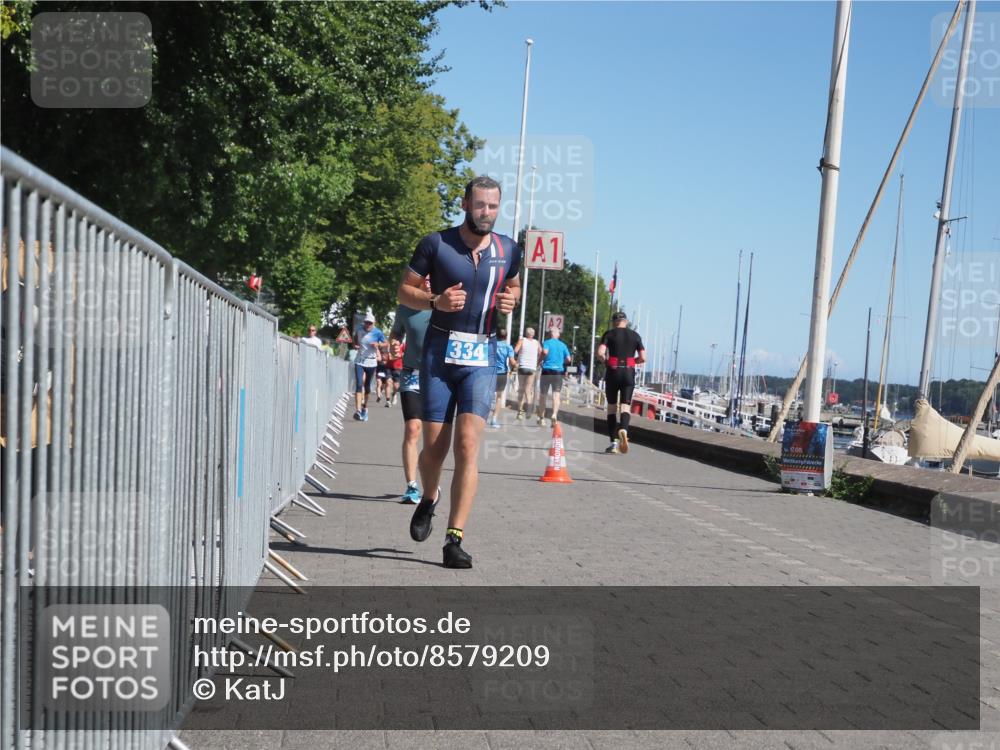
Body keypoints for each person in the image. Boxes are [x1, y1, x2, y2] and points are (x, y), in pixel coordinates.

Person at [396, 175, 521, 569]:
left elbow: (513, 287)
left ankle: (454, 538)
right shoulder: (436, 243)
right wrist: (435, 299)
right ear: (465, 204)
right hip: (438, 354)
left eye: (494, 206)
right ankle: (429, 498)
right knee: (435, 450)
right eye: (481, 205)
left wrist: (509, 302)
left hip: (482, 356)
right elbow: (403, 291)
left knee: (468, 445)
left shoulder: (509, 249)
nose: (487, 213)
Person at [389, 301, 431, 503]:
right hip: (412, 375)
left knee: (435, 437)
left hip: (438, 377)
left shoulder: (449, 304)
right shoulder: (406, 307)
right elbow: (396, 333)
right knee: (413, 429)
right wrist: (394, 343)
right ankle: (412, 486)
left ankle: (431, 483)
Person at [596, 310, 645, 454]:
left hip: (613, 371)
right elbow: (643, 357)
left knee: (612, 407)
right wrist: (632, 361)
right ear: (626, 321)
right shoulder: (635, 336)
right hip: (628, 373)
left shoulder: (609, 334)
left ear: (614, 322)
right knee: (625, 406)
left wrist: (605, 361)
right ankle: (623, 428)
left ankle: (613, 443)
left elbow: (600, 353)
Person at [353, 312, 385, 421]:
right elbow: (354, 339)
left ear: (374, 323)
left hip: (371, 363)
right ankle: (357, 410)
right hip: (360, 361)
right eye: (366, 323)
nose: (368, 325)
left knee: (367, 386)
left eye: (370, 323)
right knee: (359, 384)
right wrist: (355, 345)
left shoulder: (378, 332)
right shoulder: (359, 330)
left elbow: (386, 343)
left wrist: (378, 345)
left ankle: (364, 408)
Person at [536, 327, 572, 426]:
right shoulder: (563, 345)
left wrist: (538, 362)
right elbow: (569, 359)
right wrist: (561, 362)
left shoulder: (547, 342)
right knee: (556, 395)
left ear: (550, 334)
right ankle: (554, 415)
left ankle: (542, 418)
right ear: (558, 335)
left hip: (547, 370)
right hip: (558, 372)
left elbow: (544, 352)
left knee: (543, 395)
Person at [488, 328, 518, 428]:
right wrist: (517, 365)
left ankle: (485, 415)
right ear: (506, 336)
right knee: (499, 397)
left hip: (490, 372)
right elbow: (512, 362)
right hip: (502, 373)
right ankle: (494, 419)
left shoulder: (492, 344)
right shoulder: (508, 347)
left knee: (488, 393)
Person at [514, 327, 541, 420]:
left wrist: (518, 357)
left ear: (526, 333)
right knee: (528, 390)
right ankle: (529, 410)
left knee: (521, 389)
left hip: (522, 366)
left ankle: (520, 412)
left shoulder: (522, 341)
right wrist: (537, 361)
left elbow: (515, 350)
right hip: (532, 368)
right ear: (533, 334)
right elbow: (541, 353)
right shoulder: (537, 342)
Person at [385, 338, 404, 407]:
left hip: (398, 367)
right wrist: (398, 356)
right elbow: (390, 357)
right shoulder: (389, 346)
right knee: (388, 382)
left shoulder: (403, 345)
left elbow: (406, 354)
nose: (394, 343)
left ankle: (394, 394)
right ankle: (387, 401)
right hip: (389, 367)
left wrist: (401, 356)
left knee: (396, 386)